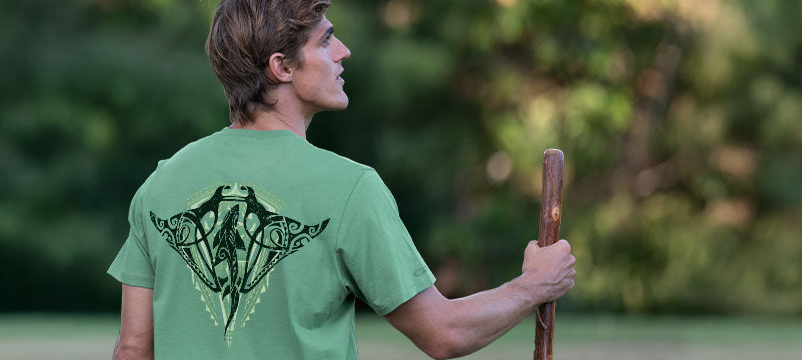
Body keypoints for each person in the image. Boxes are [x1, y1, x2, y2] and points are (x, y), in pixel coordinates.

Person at [106, 1, 577, 359]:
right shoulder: (351, 188)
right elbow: (443, 333)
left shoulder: (161, 184)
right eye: (325, 41)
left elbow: (132, 350)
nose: (343, 51)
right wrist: (535, 285)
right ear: (282, 67)